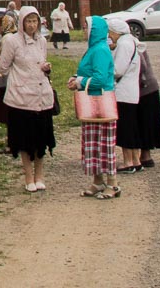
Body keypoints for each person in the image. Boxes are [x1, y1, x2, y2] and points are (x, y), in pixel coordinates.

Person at [0, 5, 55, 192]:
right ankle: (28, 176)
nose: (32, 25)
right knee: (24, 140)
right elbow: (3, 68)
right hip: (21, 97)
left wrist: (46, 67)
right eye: (28, 21)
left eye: (35, 21)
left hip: (41, 95)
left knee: (41, 139)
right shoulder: (11, 41)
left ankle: (40, 175)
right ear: (21, 22)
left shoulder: (42, 41)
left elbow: (41, 62)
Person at [67, 16, 120, 199]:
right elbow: (89, 72)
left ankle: (112, 184)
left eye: (86, 27)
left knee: (104, 144)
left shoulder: (100, 50)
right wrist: (76, 78)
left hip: (101, 102)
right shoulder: (93, 49)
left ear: (94, 30)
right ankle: (98, 181)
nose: (83, 31)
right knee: (92, 143)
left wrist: (80, 82)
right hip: (91, 102)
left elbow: (101, 79)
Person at [108, 17, 143, 173]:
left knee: (125, 128)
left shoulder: (123, 44)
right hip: (131, 91)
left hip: (123, 91)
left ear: (116, 32)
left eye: (110, 32)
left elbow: (118, 70)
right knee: (133, 127)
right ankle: (136, 160)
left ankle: (128, 161)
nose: (109, 35)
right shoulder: (132, 41)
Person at [134, 39, 160, 168]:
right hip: (139, 88)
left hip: (145, 88)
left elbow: (142, 66)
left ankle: (145, 155)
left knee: (145, 120)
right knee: (141, 120)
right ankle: (141, 155)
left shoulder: (135, 45)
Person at [0, 11, 19, 134]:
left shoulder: (7, 39)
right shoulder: (13, 36)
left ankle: (11, 142)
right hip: (12, 79)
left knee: (8, 111)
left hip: (8, 80)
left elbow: (5, 61)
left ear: (5, 25)